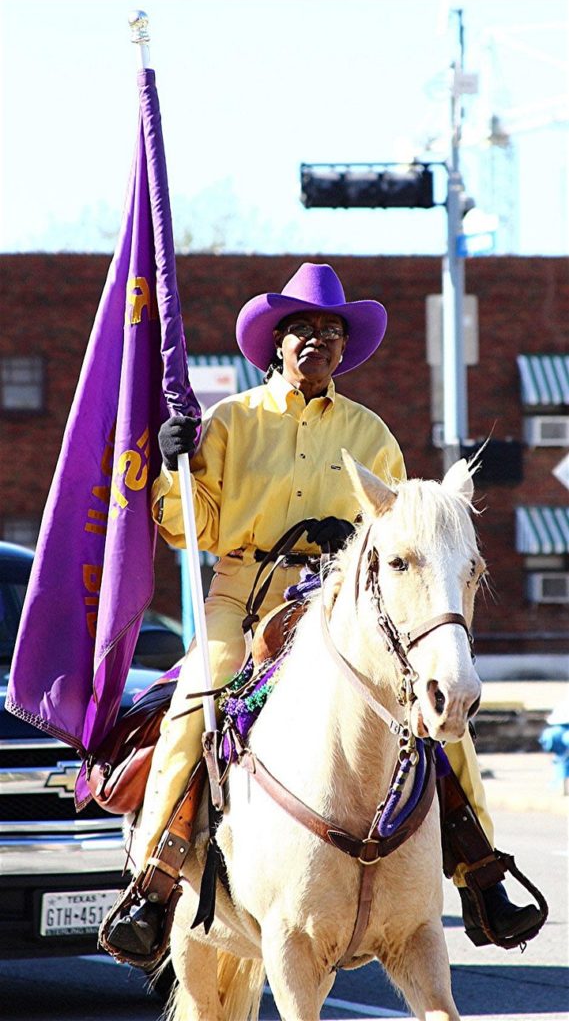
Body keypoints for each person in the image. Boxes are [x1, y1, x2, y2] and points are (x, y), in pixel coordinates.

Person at [104, 262, 542, 962]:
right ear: (276, 344)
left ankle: (479, 872)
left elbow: (400, 530)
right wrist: (171, 468)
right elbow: (192, 527)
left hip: (339, 602)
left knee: (437, 710)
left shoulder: (370, 432)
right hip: (244, 593)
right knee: (196, 703)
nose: (318, 340)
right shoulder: (229, 420)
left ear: (344, 349)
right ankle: (152, 885)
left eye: (331, 331)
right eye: (303, 329)